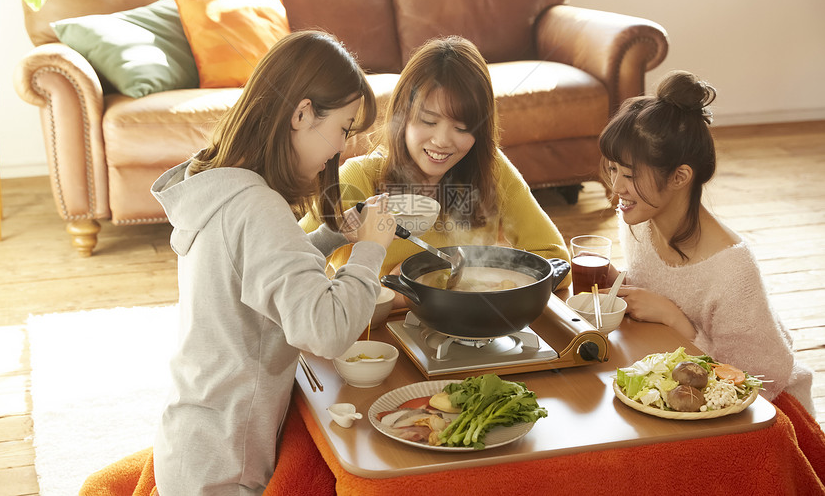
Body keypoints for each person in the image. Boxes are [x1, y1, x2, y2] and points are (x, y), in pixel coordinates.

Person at [150, 30, 397, 495]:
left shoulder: (221, 184)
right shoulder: (257, 207)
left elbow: (253, 272)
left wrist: (328, 238)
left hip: (192, 442)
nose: (339, 150)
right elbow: (325, 330)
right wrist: (370, 249)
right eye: (343, 130)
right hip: (225, 470)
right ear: (302, 113)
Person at [599, 69, 815, 415]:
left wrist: (676, 321)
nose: (617, 189)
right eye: (613, 171)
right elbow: (652, 284)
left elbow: (757, 379)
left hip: (762, 409)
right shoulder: (637, 221)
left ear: (680, 176)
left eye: (630, 175)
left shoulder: (732, 269)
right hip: (675, 389)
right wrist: (614, 281)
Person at [300, 35, 570, 282]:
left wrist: (472, 276)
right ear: (402, 117)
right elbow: (287, 264)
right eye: (428, 121)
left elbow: (555, 258)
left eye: (463, 128)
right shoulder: (358, 178)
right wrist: (390, 293)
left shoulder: (491, 168)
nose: (442, 141)